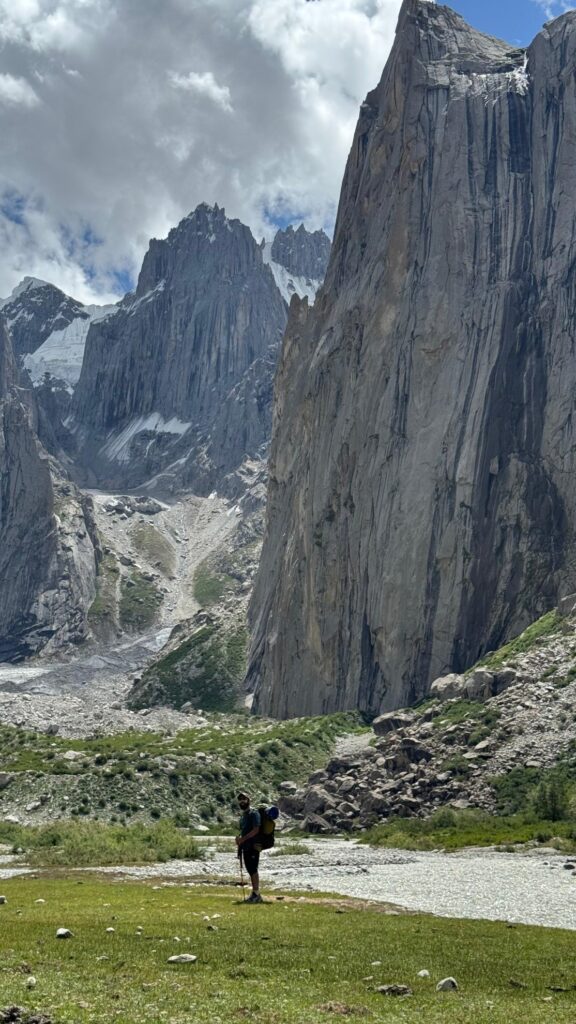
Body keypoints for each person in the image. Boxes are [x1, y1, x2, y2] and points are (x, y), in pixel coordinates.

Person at [236, 791, 263, 903]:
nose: (242, 801)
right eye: (240, 800)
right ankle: (254, 893)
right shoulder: (243, 816)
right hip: (246, 846)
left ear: (248, 800)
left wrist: (243, 839)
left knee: (253, 869)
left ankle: (256, 894)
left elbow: (256, 829)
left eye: (244, 799)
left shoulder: (254, 813)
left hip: (253, 846)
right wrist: (239, 839)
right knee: (250, 869)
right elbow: (244, 830)